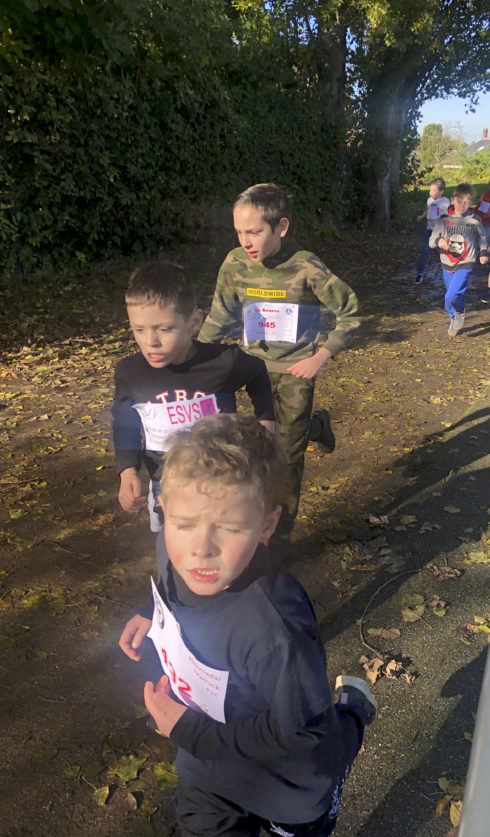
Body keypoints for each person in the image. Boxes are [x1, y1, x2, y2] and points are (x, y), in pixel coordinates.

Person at [118, 413, 377, 836]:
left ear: (266, 525)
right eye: (184, 524)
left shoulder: (276, 631)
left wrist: (190, 731)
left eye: (230, 527)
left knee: (326, 736)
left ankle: (353, 712)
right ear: (164, 507)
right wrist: (152, 613)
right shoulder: (173, 549)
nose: (201, 549)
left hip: (287, 789)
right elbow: (170, 584)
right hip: (208, 778)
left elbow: (300, 732)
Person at [198, 183, 361, 543]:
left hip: (293, 372)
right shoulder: (235, 263)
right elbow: (220, 317)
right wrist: (192, 361)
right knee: (255, 445)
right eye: (239, 232)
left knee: (285, 458)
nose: (245, 241)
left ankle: (276, 540)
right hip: (249, 370)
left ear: (281, 227)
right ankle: (314, 428)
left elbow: (351, 313)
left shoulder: (306, 267)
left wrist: (320, 357)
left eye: (254, 232)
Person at [112, 262, 275, 532]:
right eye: (138, 329)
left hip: (222, 480)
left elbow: (257, 372)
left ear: (194, 322)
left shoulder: (222, 362)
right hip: (165, 484)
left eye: (164, 329)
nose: (151, 341)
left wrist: (265, 420)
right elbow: (124, 421)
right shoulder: (130, 372)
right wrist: (127, 469)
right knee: (169, 544)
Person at [429, 182, 489, 337]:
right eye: (459, 201)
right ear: (452, 200)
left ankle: (460, 312)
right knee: (450, 295)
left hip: (465, 262)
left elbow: (482, 237)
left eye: (467, 203)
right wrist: (439, 241)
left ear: (471, 203)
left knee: (451, 296)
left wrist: (483, 252)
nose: (462, 205)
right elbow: (431, 240)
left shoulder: (474, 220)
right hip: (447, 262)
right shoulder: (443, 219)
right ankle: (453, 317)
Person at [414, 177, 450, 283]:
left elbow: (449, 215)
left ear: (441, 191)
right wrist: (422, 216)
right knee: (425, 250)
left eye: (434, 190)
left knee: (442, 252)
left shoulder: (445, 202)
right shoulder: (429, 200)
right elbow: (428, 209)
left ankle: (450, 269)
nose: (431, 192)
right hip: (429, 230)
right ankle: (420, 273)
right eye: (430, 190)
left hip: (440, 233)